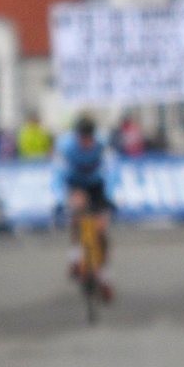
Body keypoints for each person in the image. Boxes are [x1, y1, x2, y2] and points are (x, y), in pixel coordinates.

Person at [55, 115, 117, 301]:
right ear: (77, 136)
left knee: (101, 232)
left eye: (89, 137)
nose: (86, 141)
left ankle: (104, 278)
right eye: (82, 137)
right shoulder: (67, 148)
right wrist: (61, 199)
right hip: (74, 184)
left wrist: (110, 198)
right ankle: (75, 259)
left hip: (96, 187)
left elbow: (112, 172)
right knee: (77, 216)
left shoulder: (102, 147)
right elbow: (57, 175)